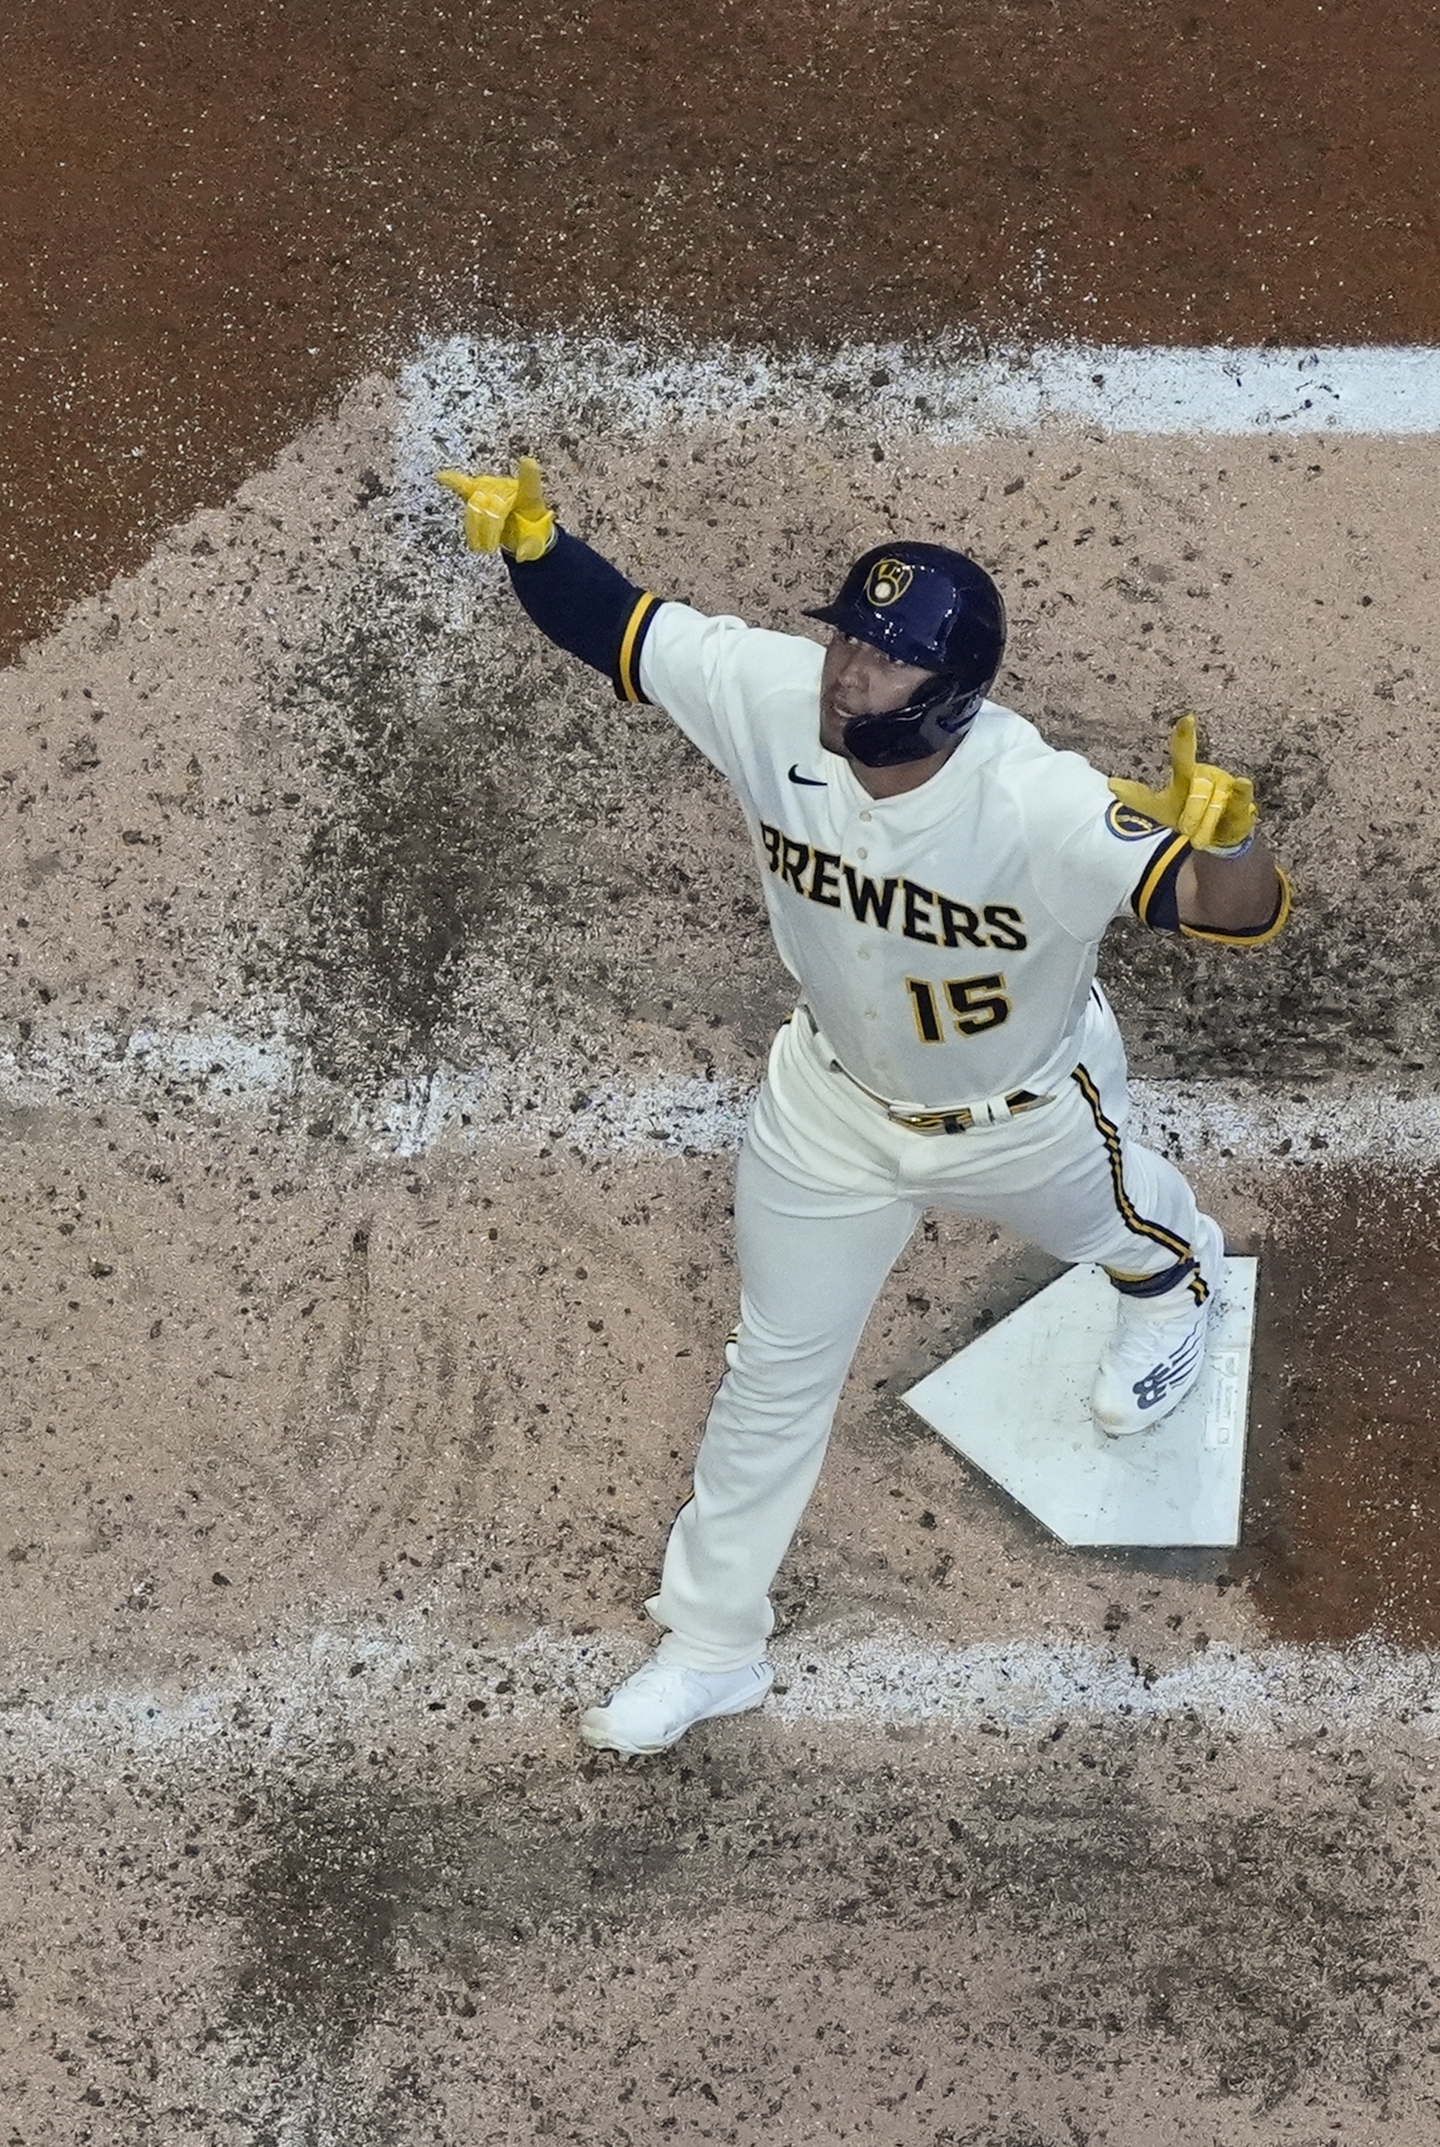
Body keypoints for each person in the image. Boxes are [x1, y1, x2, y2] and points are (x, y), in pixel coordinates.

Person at [430, 453, 1287, 1757]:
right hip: (827, 1112)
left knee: (1123, 1228)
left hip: (1020, 1114)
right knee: (771, 1373)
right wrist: (535, 546)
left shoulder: (1041, 805)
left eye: (877, 664)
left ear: (947, 695)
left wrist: (1227, 839)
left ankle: (1173, 1280)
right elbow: (624, 629)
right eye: (844, 643)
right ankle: (713, 1647)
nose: (842, 676)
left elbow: (1236, 917)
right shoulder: (778, 700)